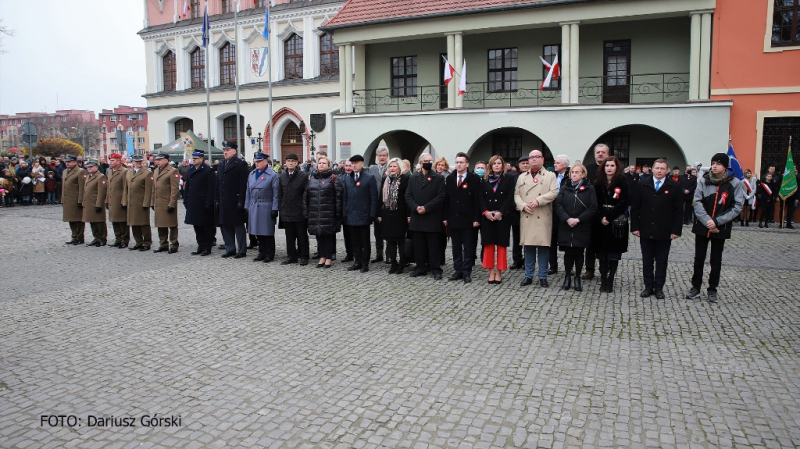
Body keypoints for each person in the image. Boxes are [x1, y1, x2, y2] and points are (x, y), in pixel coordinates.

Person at [686, 152, 744, 303]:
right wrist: (707, 221)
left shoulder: (735, 183)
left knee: (716, 260)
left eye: (718, 164)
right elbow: (697, 202)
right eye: (713, 163)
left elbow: (737, 207)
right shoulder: (704, 181)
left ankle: (712, 289)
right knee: (699, 258)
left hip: (720, 228)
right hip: (702, 226)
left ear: (725, 166)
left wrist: (717, 222)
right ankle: (695, 288)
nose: (714, 166)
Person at [630, 158, 683, 299]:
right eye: (657, 168)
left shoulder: (675, 186)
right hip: (646, 228)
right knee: (647, 260)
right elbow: (635, 208)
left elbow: (678, 211)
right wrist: (635, 227)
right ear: (652, 169)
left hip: (665, 230)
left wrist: (676, 230)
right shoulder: (642, 184)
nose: (659, 171)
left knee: (661, 261)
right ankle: (648, 286)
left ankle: (659, 287)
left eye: (662, 168)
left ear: (667, 170)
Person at [515, 149, 558, 287]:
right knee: (528, 248)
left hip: (542, 214)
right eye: (531, 157)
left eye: (537, 157)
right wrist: (522, 205)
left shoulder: (550, 175)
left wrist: (538, 200)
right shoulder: (522, 177)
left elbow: (554, 192)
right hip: (528, 214)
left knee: (543, 247)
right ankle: (528, 276)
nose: (533, 159)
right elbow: (516, 194)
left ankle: (543, 276)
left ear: (542, 159)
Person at [554, 162, 597, 291]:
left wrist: (578, 219)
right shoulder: (565, 187)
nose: (574, 174)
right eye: (572, 172)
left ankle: (577, 277)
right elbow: (558, 205)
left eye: (577, 172)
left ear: (583, 174)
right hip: (566, 224)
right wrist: (567, 218)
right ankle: (567, 276)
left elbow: (593, 206)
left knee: (578, 252)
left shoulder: (590, 188)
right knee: (568, 252)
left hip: (581, 225)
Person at [405, 153, 446, 280]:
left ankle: (435, 268)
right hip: (417, 216)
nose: (428, 162)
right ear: (420, 162)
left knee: (434, 245)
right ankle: (420, 267)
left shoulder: (438, 178)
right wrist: (416, 207)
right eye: (426, 160)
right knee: (419, 245)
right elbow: (408, 195)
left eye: (430, 160)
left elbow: (441, 196)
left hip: (432, 216)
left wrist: (426, 208)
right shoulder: (413, 177)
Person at [592, 156, 630, 293]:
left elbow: (624, 202)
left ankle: (611, 279)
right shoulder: (598, 182)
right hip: (600, 222)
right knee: (602, 253)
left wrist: (609, 216)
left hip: (616, 223)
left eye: (612, 166)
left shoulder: (623, 182)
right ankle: (603, 278)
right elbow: (594, 202)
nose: (609, 168)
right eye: (607, 166)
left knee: (614, 253)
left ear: (616, 167)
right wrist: (601, 217)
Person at [443, 152, 481, 284]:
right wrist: (445, 217)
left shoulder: (474, 179)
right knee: (456, 246)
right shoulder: (450, 178)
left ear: (467, 164)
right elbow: (446, 200)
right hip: (453, 219)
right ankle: (458, 270)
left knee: (468, 247)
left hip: (469, 220)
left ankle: (466, 272)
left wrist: (477, 218)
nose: (458, 164)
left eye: (461, 162)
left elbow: (477, 201)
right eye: (457, 162)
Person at [479, 155, 515, 284]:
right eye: (494, 163)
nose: (497, 165)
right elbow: (480, 197)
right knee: (488, 244)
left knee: (501, 245)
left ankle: (499, 272)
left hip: (502, 217)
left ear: (503, 165)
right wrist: (485, 212)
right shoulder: (484, 179)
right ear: (490, 166)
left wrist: (501, 212)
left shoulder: (509, 179)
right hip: (487, 216)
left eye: (499, 163)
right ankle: (490, 272)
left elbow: (510, 197)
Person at [303, 156, 343, 268]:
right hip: (315, 212)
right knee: (319, 236)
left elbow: (338, 197)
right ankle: (321, 257)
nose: (321, 164)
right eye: (319, 163)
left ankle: (328, 258)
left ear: (328, 165)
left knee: (328, 236)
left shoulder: (333, 178)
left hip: (328, 212)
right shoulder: (312, 178)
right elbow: (306, 196)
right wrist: (306, 211)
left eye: (324, 163)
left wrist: (338, 212)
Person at [342, 154, 378, 272]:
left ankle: (365, 263)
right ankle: (357, 261)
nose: (354, 165)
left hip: (364, 214)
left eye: (356, 163)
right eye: (352, 164)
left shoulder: (369, 178)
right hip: (351, 214)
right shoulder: (347, 178)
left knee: (364, 241)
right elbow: (345, 198)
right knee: (355, 240)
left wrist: (372, 214)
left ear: (362, 164)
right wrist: (344, 212)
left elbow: (373, 197)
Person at [581, 143, 609, 281]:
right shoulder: (588, 169)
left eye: (603, 152)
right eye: (598, 152)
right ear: (594, 154)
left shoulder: (611, 168)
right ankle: (589, 269)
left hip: (607, 211)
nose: (600, 154)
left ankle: (605, 269)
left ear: (608, 154)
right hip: (590, 212)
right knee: (590, 243)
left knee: (605, 242)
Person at [217, 140, 249, 258]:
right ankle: (230, 248)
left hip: (235, 199)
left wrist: (241, 199)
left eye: (228, 150)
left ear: (234, 151)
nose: (225, 152)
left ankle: (241, 249)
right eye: (224, 150)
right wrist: (217, 199)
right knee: (225, 225)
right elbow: (219, 183)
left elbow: (243, 183)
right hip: (224, 200)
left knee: (238, 226)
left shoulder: (240, 164)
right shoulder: (221, 164)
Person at [246, 153, 280, 262]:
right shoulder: (251, 174)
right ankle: (261, 252)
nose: (257, 163)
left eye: (259, 161)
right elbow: (248, 192)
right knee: (257, 231)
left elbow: (276, 193)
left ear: (266, 161)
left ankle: (269, 253)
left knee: (267, 232)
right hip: (254, 205)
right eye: (256, 161)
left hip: (266, 205)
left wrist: (275, 208)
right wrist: (247, 206)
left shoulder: (272, 175)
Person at [378, 158, 410, 274]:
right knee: (389, 240)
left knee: (400, 241)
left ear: (399, 168)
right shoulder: (385, 179)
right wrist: (379, 213)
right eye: (390, 166)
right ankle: (393, 263)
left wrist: (408, 215)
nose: (392, 168)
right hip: (387, 213)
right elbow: (380, 197)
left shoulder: (405, 179)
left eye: (394, 166)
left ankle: (402, 263)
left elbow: (408, 198)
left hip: (400, 214)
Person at [278, 153, 309, 266]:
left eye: (292, 161)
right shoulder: (282, 176)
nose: (290, 163)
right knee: (289, 236)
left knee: (302, 236)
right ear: (285, 163)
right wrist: (280, 208)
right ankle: (291, 256)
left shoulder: (303, 176)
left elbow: (306, 193)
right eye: (288, 160)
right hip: (286, 210)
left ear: (296, 163)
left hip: (299, 210)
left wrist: (305, 208)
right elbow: (279, 194)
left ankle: (304, 256)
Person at [183, 151, 216, 256]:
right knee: (196, 226)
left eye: (196, 158)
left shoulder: (208, 170)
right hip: (193, 202)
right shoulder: (190, 170)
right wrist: (185, 199)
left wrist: (209, 202)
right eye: (193, 158)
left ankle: (207, 247)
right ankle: (200, 245)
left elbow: (211, 188)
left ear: (201, 159)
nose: (194, 160)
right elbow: (187, 186)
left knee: (206, 226)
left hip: (203, 202)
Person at [150, 153, 180, 253]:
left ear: (166, 160)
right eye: (156, 160)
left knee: (171, 224)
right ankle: (163, 244)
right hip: (158, 202)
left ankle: (174, 244)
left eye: (160, 159)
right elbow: (154, 188)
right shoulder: (155, 171)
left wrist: (172, 203)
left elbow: (174, 189)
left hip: (167, 202)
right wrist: (152, 201)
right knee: (160, 224)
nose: (157, 161)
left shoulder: (172, 171)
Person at [123, 155, 153, 251]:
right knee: (133, 223)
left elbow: (149, 190)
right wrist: (124, 201)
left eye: (140, 161)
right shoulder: (129, 173)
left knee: (144, 224)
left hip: (141, 202)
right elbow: (125, 189)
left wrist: (146, 203)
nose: (139, 163)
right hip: (131, 203)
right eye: (137, 161)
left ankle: (147, 243)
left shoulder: (147, 173)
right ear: (133, 162)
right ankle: (138, 242)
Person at [548, 154, 569, 275]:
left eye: (558, 163)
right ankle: (553, 266)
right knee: (552, 241)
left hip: (565, 212)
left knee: (566, 240)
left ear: (565, 165)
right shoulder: (552, 176)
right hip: (552, 212)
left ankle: (568, 267)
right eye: (555, 162)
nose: (555, 164)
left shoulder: (570, 176)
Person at [368, 146, 389, 263]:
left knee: (388, 230)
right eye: (380, 155)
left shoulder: (391, 166)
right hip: (375, 202)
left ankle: (389, 255)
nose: (382, 158)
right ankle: (379, 254)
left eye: (384, 156)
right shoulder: (372, 168)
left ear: (387, 156)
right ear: (377, 156)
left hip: (387, 203)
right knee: (377, 232)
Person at [105, 153, 130, 249]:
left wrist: (124, 201)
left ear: (119, 162)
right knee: (114, 221)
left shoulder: (124, 172)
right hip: (112, 200)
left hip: (119, 200)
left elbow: (125, 188)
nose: (110, 162)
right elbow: (109, 188)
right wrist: (107, 200)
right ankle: (118, 239)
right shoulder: (110, 172)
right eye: (110, 160)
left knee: (122, 221)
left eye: (113, 160)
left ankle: (125, 240)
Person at [82, 160, 108, 247]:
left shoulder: (100, 177)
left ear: (96, 167)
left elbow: (101, 192)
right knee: (92, 221)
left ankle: (102, 238)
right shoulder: (89, 176)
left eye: (91, 167)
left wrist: (99, 204)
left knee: (99, 222)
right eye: (88, 167)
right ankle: (96, 238)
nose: (89, 168)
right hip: (89, 202)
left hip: (96, 202)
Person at [61, 156, 86, 245]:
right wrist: (62, 199)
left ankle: (80, 237)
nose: (67, 163)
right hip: (68, 200)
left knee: (78, 219)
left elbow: (82, 187)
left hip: (75, 200)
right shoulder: (65, 171)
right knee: (70, 219)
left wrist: (80, 200)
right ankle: (74, 236)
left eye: (70, 162)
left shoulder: (80, 171)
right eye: (66, 162)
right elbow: (64, 187)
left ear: (75, 162)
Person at [510, 156, 529, 270]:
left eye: (527, 163)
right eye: (523, 163)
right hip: (516, 212)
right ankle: (517, 260)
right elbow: (510, 194)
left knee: (527, 238)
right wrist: (515, 205)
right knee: (516, 238)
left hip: (529, 211)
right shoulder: (513, 178)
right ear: (519, 165)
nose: (525, 165)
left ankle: (527, 261)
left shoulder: (534, 178)